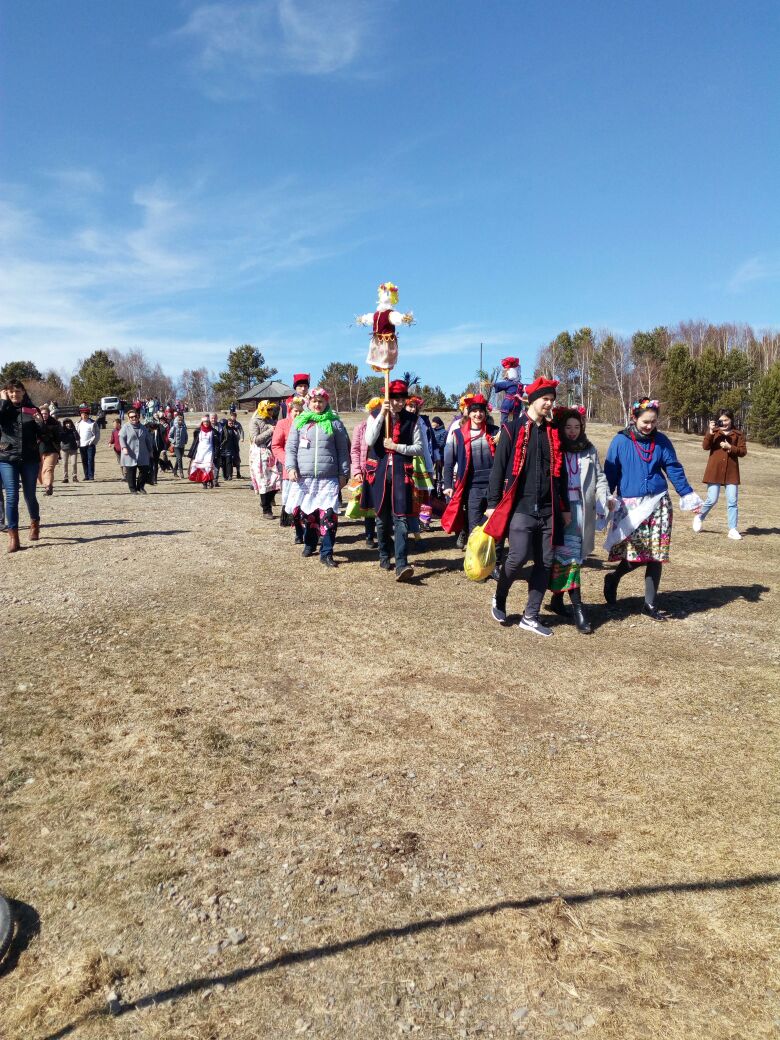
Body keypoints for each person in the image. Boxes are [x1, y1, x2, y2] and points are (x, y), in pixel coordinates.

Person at [484, 377, 571, 637]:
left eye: (552, 400)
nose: (549, 404)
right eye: (545, 399)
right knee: (517, 557)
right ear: (532, 400)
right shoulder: (512, 428)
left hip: (548, 509)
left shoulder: (553, 432)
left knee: (545, 562)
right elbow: (498, 469)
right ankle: (500, 597)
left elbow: (561, 474)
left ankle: (530, 616)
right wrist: (491, 504)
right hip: (520, 507)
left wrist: (564, 507)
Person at [603, 398, 703, 621]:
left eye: (653, 421)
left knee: (656, 554)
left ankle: (649, 604)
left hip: (659, 503)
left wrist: (687, 494)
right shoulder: (620, 441)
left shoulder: (662, 441)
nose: (649, 426)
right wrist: (607, 498)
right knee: (636, 554)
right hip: (630, 506)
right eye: (645, 421)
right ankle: (614, 577)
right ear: (634, 418)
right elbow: (610, 473)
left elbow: (673, 469)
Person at [546, 408, 611, 634]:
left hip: (582, 510)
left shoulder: (589, 449)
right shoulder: (555, 448)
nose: (572, 432)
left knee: (569, 558)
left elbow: (600, 478)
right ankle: (579, 610)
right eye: (568, 427)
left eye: (577, 427)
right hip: (561, 511)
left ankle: (557, 600)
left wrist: (606, 497)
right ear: (561, 428)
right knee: (569, 559)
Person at [361, 380, 424, 581]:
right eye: (394, 399)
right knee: (381, 519)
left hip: (400, 474)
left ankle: (402, 564)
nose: (398, 403)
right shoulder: (374, 415)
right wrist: (382, 415)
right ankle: (383, 553)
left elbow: (420, 448)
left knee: (401, 519)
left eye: (401, 399)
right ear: (387, 399)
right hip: (379, 473)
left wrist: (397, 447)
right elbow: (370, 440)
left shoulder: (412, 420)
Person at [285, 388, 350, 568]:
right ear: (308, 402)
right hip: (305, 477)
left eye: (321, 401)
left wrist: (344, 473)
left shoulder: (335, 423)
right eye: (314, 401)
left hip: (328, 477)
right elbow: (291, 448)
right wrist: (291, 467)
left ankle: (327, 552)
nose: (317, 404)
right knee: (308, 515)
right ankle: (310, 543)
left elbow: (343, 451)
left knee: (329, 516)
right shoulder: (299, 422)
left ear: (326, 402)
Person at [441, 394, 498, 545]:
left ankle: (494, 561)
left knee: (494, 524)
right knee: (475, 525)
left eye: (481, 411)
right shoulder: (458, 435)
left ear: (485, 413)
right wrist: (447, 485)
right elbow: (448, 462)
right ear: (469, 412)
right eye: (474, 411)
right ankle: (476, 562)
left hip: (494, 486)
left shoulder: (495, 432)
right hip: (472, 487)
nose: (478, 414)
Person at [0, 380, 43, 552]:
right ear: (6, 393)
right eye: (11, 392)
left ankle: (34, 523)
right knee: (11, 496)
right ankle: (14, 538)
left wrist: (40, 423)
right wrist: (3, 402)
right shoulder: (3, 409)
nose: (14, 395)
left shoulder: (32, 409)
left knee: (30, 495)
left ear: (24, 392)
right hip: (7, 457)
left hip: (30, 458)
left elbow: (43, 435)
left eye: (18, 391)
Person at [693, 409, 747, 540]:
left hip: (731, 473)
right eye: (722, 420)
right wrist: (710, 431)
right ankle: (699, 516)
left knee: (733, 502)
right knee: (712, 499)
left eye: (727, 420)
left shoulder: (738, 434)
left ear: (731, 420)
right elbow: (705, 446)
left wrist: (730, 447)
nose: (724, 422)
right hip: (715, 471)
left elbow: (743, 451)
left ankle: (732, 529)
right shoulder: (715, 432)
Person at [271, 395, 306, 540]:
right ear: (290, 411)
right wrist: (288, 461)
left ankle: (308, 530)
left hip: (306, 467)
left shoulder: (307, 424)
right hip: (290, 469)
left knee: (305, 501)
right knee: (292, 500)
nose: (297, 414)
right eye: (295, 411)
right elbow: (276, 446)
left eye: (300, 411)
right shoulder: (282, 424)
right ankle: (297, 529)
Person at [350, 397, 382, 548]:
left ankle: (384, 534)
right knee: (369, 505)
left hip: (382, 470)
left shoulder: (387, 426)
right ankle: (369, 535)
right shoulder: (361, 427)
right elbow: (355, 450)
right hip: (366, 470)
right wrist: (356, 470)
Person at [249, 401, 281, 517]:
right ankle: (266, 510)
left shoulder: (271, 420)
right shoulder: (254, 421)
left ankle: (266, 501)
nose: (271, 412)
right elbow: (255, 439)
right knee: (264, 482)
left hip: (272, 453)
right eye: (268, 409)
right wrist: (270, 431)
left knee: (277, 479)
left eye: (272, 409)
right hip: (260, 454)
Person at [119, 407, 154, 494]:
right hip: (130, 453)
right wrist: (124, 448)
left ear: (138, 417)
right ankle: (133, 489)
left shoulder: (143, 427)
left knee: (145, 470)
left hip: (142, 453)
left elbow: (147, 440)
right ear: (129, 418)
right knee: (131, 472)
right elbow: (121, 438)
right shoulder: (125, 427)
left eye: (135, 416)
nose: (134, 418)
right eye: (131, 417)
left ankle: (140, 487)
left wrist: (150, 451)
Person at [37, 404, 61, 496]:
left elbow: (59, 437)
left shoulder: (55, 423)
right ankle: (46, 484)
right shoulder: (35, 424)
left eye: (45, 413)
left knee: (48, 469)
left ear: (49, 414)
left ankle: (48, 487)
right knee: (40, 470)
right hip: (39, 450)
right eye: (42, 414)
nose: (44, 415)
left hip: (52, 450)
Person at [188, 417, 218, 488]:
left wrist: (216, 452)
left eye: (207, 422)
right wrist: (192, 453)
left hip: (209, 451)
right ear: (202, 423)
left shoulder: (213, 431)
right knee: (200, 467)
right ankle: (204, 483)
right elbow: (195, 442)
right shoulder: (198, 431)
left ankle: (209, 481)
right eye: (204, 422)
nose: (206, 423)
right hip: (200, 451)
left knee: (208, 466)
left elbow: (216, 443)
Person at [76, 405, 99, 480]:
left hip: (90, 445)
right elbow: (76, 434)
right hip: (81, 445)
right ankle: (86, 476)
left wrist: (92, 442)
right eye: (82, 414)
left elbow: (97, 434)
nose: (84, 416)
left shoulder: (93, 423)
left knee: (90, 460)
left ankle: (91, 475)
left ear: (88, 415)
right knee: (84, 460)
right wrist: (77, 443)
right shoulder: (78, 423)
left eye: (85, 414)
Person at [167, 413, 189, 478]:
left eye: (181, 420)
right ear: (176, 421)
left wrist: (185, 441)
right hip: (176, 446)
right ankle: (181, 472)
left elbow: (186, 435)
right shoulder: (174, 427)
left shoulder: (184, 428)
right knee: (179, 458)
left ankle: (174, 470)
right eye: (179, 420)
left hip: (182, 446)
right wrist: (173, 441)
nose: (180, 421)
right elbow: (169, 436)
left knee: (178, 459)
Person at [220, 416, 242, 481]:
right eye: (229, 423)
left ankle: (230, 475)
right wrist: (220, 446)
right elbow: (221, 438)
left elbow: (237, 438)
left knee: (229, 462)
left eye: (232, 423)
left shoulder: (234, 429)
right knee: (223, 463)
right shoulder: (223, 429)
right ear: (227, 423)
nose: (231, 424)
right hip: (224, 448)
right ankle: (225, 475)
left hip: (231, 448)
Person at [59, 418, 80, 483]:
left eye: (69, 423)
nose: (68, 424)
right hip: (64, 449)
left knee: (74, 463)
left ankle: (74, 477)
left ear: (71, 423)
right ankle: (65, 478)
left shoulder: (73, 430)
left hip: (73, 449)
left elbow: (78, 438)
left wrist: (74, 431)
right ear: (64, 424)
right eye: (66, 423)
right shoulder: (62, 431)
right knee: (64, 464)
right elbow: (60, 438)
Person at [208, 412, 223, 486]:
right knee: (209, 465)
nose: (213, 419)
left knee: (217, 465)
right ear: (209, 419)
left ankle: (215, 480)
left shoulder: (221, 426)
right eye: (212, 418)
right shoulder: (206, 426)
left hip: (218, 448)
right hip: (209, 449)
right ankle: (208, 480)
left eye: (215, 418)